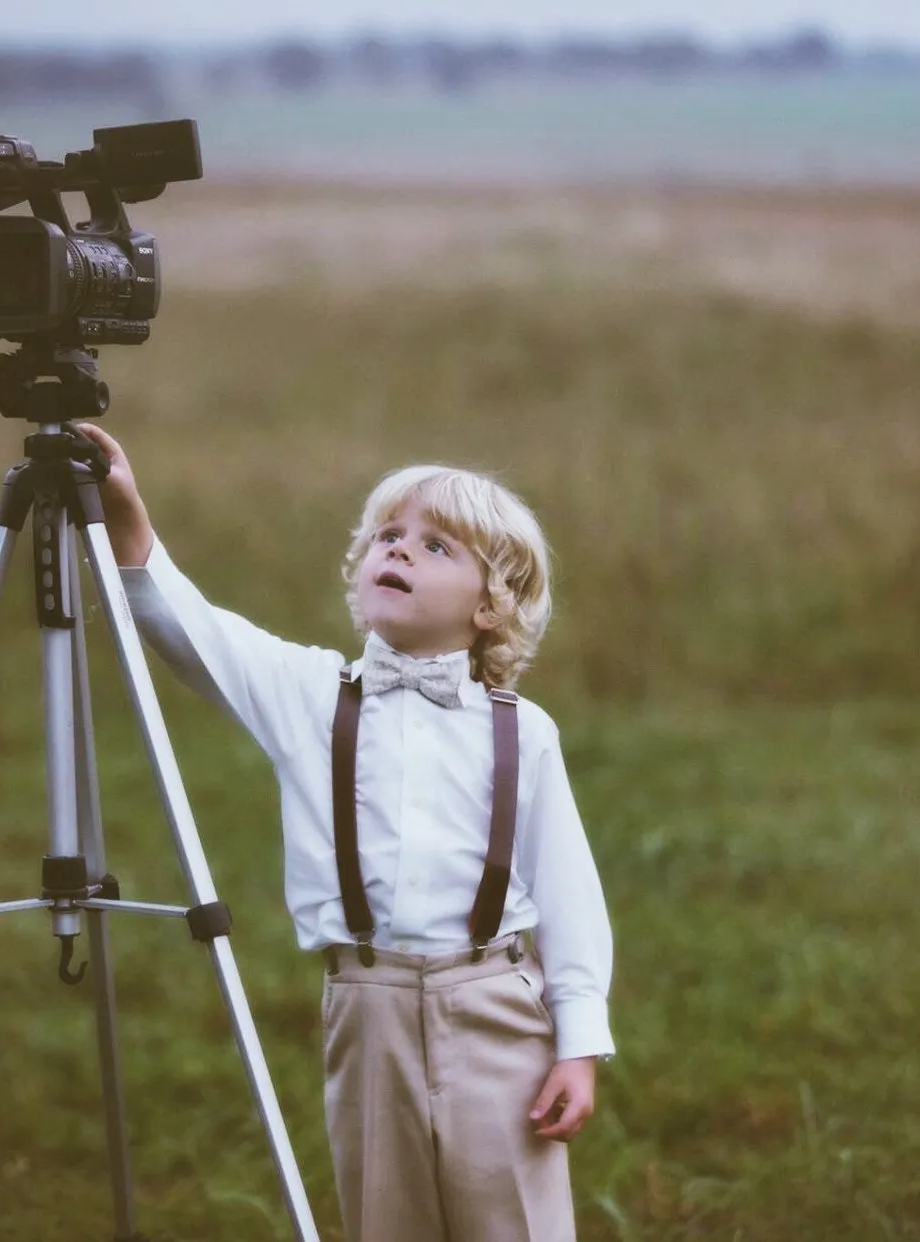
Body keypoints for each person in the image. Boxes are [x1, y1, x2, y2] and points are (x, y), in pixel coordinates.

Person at [74, 423, 615, 1242]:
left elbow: (570, 892)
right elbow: (198, 634)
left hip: (496, 1003)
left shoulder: (522, 731)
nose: (399, 551)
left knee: (514, 1217)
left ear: (489, 605)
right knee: (383, 1216)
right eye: (388, 537)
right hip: (368, 1004)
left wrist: (578, 1043)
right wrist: (128, 519)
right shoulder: (313, 693)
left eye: (437, 547)